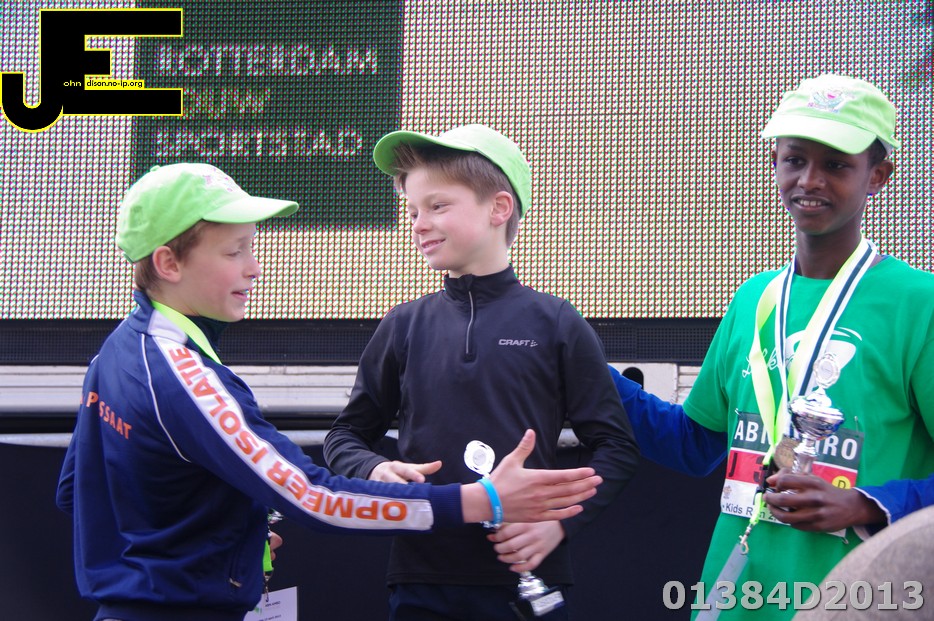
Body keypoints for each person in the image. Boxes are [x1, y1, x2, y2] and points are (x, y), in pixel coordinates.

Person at [54, 162, 604, 621]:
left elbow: (76, 489)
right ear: (168, 263)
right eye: (234, 252)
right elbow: (315, 499)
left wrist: (230, 542)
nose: (254, 268)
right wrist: (483, 501)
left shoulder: (115, 353)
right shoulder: (182, 375)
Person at [609, 73, 934, 620]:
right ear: (775, 162)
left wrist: (866, 504)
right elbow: (694, 444)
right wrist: (583, 365)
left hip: (861, 603)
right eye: (794, 159)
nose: (810, 179)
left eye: (836, 165)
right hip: (736, 597)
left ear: (877, 176)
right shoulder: (754, 299)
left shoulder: (918, 304)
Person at [323, 125, 639, 620]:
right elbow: (345, 436)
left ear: (499, 208)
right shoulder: (404, 324)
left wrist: (556, 525)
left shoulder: (556, 321)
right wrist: (373, 469)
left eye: (437, 206)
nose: (419, 224)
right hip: (421, 578)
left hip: (527, 579)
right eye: (412, 211)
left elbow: (616, 446)